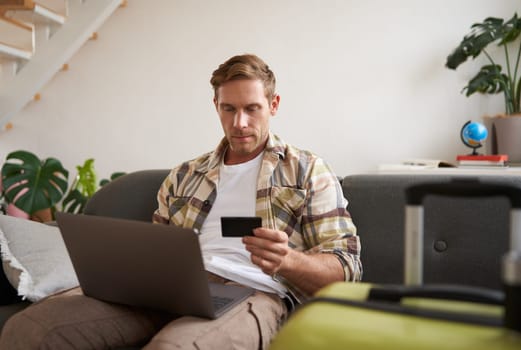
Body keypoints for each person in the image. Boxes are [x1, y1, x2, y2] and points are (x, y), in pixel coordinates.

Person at [0, 54, 362, 350]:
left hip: (252, 292)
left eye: (252, 108)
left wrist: (289, 260)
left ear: (274, 104)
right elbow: (156, 251)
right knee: (31, 329)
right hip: (170, 291)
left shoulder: (307, 170)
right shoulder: (184, 174)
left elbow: (347, 267)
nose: (239, 123)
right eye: (228, 109)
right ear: (215, 106)